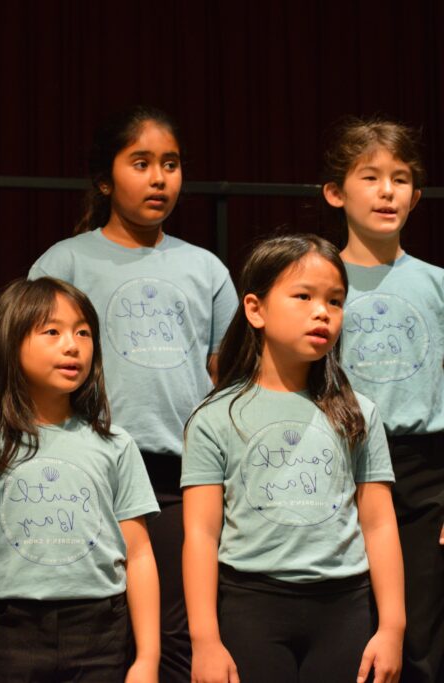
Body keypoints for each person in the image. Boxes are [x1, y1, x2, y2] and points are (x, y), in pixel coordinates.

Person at [30, 105, 236, 680]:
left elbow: (228, 378)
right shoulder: (65, 262)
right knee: (100, 625)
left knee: (172, 632)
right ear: (105, 179)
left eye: (170, 164)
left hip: (177, 477)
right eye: (140, 163)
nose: (159, 178)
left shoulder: (205, 268)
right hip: (89, 469)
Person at [182, 234, 404, 683]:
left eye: (335, 301)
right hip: (251, 605)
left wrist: (392, 628)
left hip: (344, 606)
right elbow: (201, 535)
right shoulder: (215, 417)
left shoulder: (358, 412)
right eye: (303, 296)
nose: (322, 312)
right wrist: (205, 640)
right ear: (255, 309)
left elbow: (379, 523)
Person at [0, 277, 160, 682]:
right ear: (10, 342)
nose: (72, 346)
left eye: (83, 333)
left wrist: (147, 659)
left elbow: (139, 554)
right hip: (6, 631)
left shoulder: (115, 445)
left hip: (99, 630)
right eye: (52, 332)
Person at [323, 117, 444, 683]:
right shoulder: (319, 280)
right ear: (335, 192)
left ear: (415, 197)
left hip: (423, 471)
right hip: (339, 463)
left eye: (400, 179)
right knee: (350, 627)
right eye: (370, 177)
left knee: (419, 634)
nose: (387, 191)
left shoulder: (436, 283)